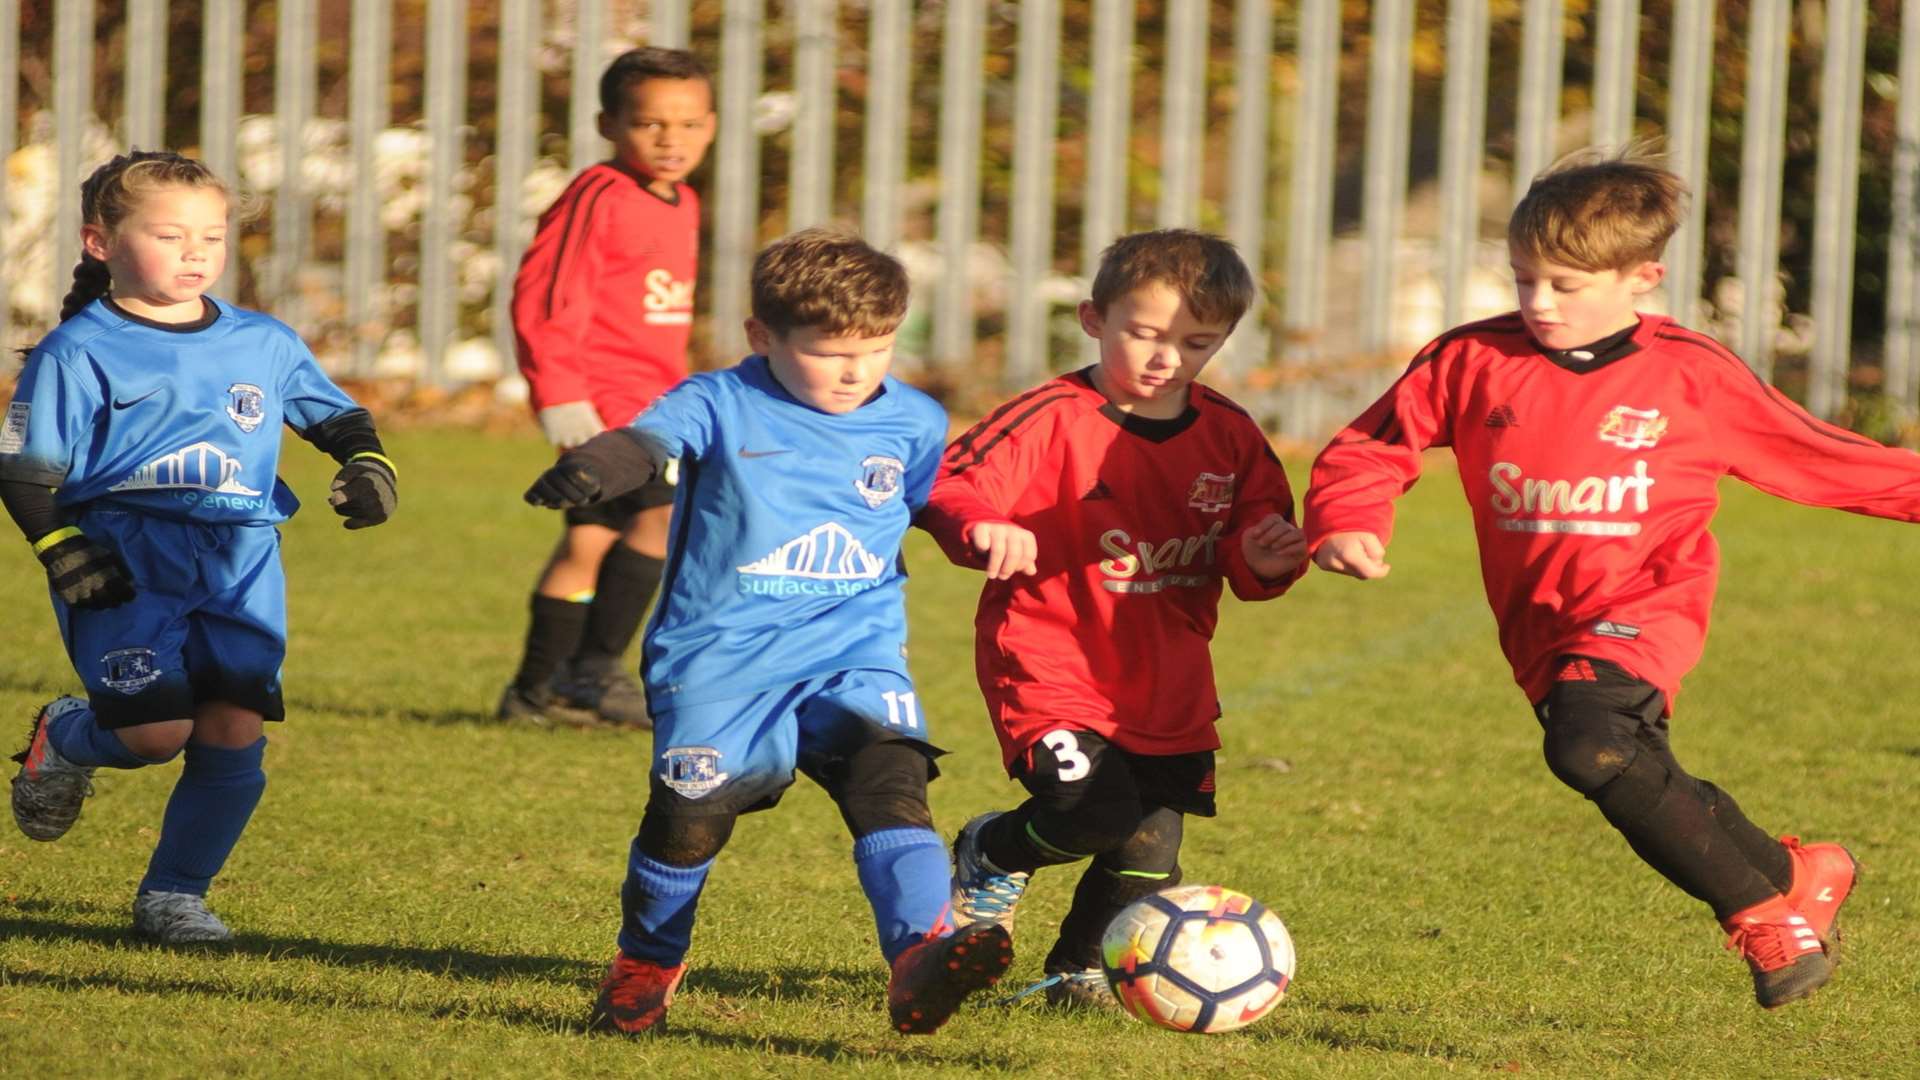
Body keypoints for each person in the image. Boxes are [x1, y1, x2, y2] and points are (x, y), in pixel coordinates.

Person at [1303, 146, 1914, 1009]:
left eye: (1564, 284)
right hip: (1537, 624)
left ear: (1641, 277)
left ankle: (1762, 915)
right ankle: (1799, 873)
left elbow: (1827, 460)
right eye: (1523, 281)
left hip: (1645, 606)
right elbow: (1372, 447)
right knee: (1631, 763)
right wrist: (1346, 521)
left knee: (1590, 747)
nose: (1538, 303)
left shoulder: (1689, 376)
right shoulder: (1470, 361)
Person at [521, 228, 1010, 1036]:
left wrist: (981, 527)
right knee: (689, 820)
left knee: (890, 781)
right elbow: (651, 441)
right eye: (829, 353)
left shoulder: (914, 419)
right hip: (721, 660)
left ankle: (924, 954)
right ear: (763, 337)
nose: (856, 372)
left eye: (879, 348)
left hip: (851, 650)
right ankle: (645, 962)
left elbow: (934, 500)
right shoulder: (720, 400)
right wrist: (599, 466)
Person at [2, 150, 398, 943]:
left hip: (241, 556)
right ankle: (67, 736)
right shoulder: (78, 351)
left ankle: (174, 897)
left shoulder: (263, 341)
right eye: (170, 235)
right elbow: (24, 469)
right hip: (125, 558)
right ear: (100, 242)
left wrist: (368, 465)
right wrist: (62, 547)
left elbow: (335, 416)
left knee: (232, 728)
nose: (195, 253)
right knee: (155, 735)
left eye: (211, 237)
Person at [918, 229, 1309, 1007]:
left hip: (1168, 679)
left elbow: (1257, 535)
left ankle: (1077, 971)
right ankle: (992, 850)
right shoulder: (1046, 417)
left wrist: (1267, 560)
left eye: (1196, 342)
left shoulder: (1230, 435)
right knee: (1088, 811)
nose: (1168, 358)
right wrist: (978, 526)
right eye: (1146, 334)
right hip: (1049, 657)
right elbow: (947, 483)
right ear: (1095, 319)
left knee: (1150, 846)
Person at [501, 46, 717, 728]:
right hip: (606, 404)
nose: (670, 139)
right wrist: (561, 394)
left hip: (655, 399)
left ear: (710, 125)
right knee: (660, 518)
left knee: (591, 542)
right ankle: (593, 672)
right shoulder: (598, 194)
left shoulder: (682, 201)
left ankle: (533, 694)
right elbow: (544, 295)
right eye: (651, 123)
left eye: (687, 124)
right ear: (608, 124)